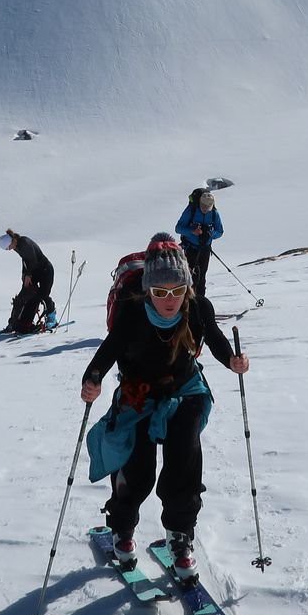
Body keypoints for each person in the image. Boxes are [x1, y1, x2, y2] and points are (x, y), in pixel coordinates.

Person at [81, 235, 249, 583]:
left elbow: (215, 339)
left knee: (183, 464)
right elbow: (108, 351)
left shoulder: (198, 308)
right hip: (138, 395)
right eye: (160, 292)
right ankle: (122, 531)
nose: (169, 299)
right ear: (147, 290)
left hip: (185, 392)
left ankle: (180, 537)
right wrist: (93, 378)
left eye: (177, 290)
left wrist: (232, 359)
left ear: (187, 286)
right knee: (137, 471)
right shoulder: (131, 311)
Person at [0, 229, 56, 332]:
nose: (9, 250)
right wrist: (24, 274)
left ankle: (52, 316)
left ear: (12, 241)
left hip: (45, 270)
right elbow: (25, 260)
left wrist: (28, 275)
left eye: (8, 247)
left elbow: (33, 259)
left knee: (43, 294)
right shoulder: (17, 246)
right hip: (35, 271)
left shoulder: (24, 242)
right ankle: (16, 322)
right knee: (25, 295)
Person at [174, 188, 223, 298]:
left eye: (208, 207)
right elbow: (178, 228)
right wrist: (192, 231)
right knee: (190, 277)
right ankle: (188, 301)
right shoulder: (191, 210)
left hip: (205, 249)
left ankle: (200, 302)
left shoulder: (214, 213)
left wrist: (210, 233)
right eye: (204, 206)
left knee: (201, 277)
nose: (206, 209)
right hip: (190, 248)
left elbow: (220, 232)